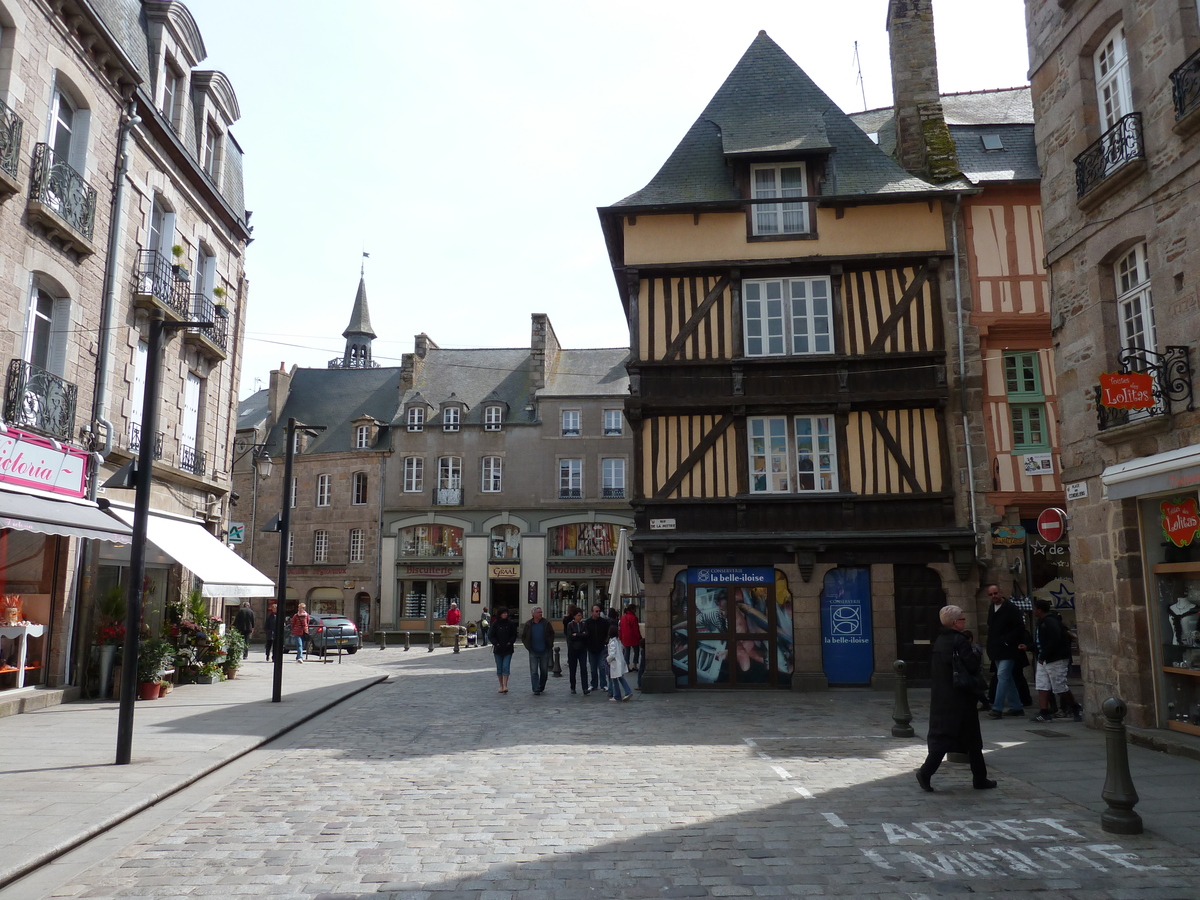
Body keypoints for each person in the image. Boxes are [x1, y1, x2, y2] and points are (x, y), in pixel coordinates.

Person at [916, 605, 996, 792]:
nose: (964, 620)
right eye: (961, 618)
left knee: (961, 738)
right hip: (960, 696)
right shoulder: (959, 641)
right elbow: (971, 665)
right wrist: (976, 653)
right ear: (954, 622)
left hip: (943, 695)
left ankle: (980, 778)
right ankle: (926, 772)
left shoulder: (941, 640)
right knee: (960, 738)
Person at [1031, 598, 1083, 723]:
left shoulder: (1050, 622)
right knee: (1042, 684)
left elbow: (1055, 639)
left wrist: (1044, 655)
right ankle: (1044, 712)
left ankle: (1075, 707)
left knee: (1059, 686)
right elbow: (1041, 641)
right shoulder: (1042, 622)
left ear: (1039, 610)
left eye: (1034, 609)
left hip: (1055, 658)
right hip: (1044, 658)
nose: (1033, 611)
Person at [985, 583, 1027, 718]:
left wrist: (1007, 641)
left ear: (1000, 592)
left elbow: (1020, 627)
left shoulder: (1011, 608)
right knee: (1007, 679)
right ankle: (1016, 707)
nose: (993, 596)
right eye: (991, 594)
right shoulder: (992, 608)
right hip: (996, 649)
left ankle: (997, 708)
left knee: (1002, 676)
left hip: (1008, 649)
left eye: (995, 593)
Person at [520, 606, 556, 695]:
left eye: (541, 612)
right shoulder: (528, 624)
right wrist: (528, 646)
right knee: (534, 671)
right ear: (533, 614)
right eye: (538, 612)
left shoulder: (546, 623)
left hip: (544, 650)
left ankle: (541, 685)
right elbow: (523, 636)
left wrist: (550, 644)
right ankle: (536, 688)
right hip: (533, 651)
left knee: (544, 671)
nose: (540, 614)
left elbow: (552, 633)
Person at [490, 607, 518, 693]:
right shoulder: (496, 624)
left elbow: (514, 634)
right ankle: (501, 685)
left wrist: (510, 642)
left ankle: (505, 685)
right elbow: (491, 635)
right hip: (498, 649)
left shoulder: (510, 623)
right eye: (503, 613)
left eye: (506, 613)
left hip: (508, 649)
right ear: (500, 614)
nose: (505, 615)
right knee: (499, 668)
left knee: (506, 666)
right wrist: (496, 643)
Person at [584, 604, 609, 694]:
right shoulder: (587, 623)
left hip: (601, 647)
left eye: (599, 611)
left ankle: (603, 684)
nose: (599, 613)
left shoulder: (604, 622)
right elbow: (585, 635)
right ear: (592, 612)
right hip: (591, 648)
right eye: (596, 611)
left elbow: (608, 633)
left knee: (602, 667)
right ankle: (594, 684)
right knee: (593, 668)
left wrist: (606, 641)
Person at [566, 609, 590, 694]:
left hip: (582, 649)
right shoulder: (570, 625)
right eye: (578, 615)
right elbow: (570, 637)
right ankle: (573, 687)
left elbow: (586, 635)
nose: (580, 617)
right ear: (574, 616)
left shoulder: (584, 624)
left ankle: (585, 688)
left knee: (584, 668)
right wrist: (581, 635)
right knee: (573, 669)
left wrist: (577, 634)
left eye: (581, 615)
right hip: (573, 649)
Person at [606, 624, 633, 701]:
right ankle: (621, 693)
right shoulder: (618, 641)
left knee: (615, 679)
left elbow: (612, 654)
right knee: (619, 678)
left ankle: (620, 694)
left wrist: (608, 659)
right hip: (619, 662)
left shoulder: (612, 642)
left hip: (615, 663)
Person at [619, 605, 642, 671]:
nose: (636, 611)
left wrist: (620, 637)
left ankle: (627, 666)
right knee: (636, 651)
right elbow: (636, 629)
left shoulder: (623, 618)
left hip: (625, 637)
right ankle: (635, 665)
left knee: (627, 652)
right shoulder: (634, 618)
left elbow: (620, 628)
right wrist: (639, 637)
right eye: (635, 609)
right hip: (633, 637)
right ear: (632, 609)